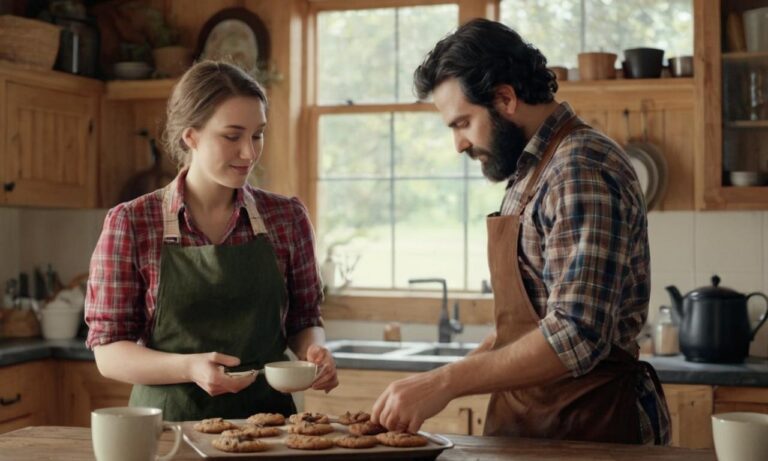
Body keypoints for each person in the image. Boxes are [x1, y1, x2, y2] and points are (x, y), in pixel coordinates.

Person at [371, 18, 670, 445]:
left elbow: (576, 334)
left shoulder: (579, 168)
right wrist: (437, 380)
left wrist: (445, 383)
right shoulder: (532, 170)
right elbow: (527, 324)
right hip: (538, 426)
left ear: (506, 98)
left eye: (462, 123)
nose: (458, 144)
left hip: (593, 426)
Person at [84, 61, 338, 421]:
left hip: (270, 429)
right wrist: (190, 368)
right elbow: (108, 353)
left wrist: (315, 352)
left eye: (258, 134)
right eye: (232, 136)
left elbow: (304, 319)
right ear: (192, 136)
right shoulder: (133, 223)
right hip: (167, 429)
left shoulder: (287, 218)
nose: (249, 152)